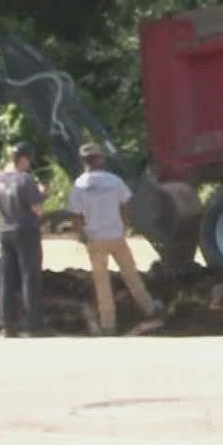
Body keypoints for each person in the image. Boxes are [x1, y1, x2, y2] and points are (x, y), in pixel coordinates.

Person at [67, 143, 161, 334]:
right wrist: (124, 224)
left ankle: (108, 324)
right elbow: (127, 204)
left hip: (95, 239)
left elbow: (75, 215)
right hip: (116, 236)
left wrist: (82, 234)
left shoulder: (80, 185)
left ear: (84, 161)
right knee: (131, 275)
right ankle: (150, 309)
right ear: (100, 159)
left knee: (102, 283)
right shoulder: (114, 181)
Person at [0, 141, 46, 337]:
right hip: (26, 230)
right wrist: (42, 192)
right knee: (30, 277)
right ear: (23, 159)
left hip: (5, 230)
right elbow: (37, 209)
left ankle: (8, 325)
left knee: (7, 279)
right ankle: (34, 326)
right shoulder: (25, 179)